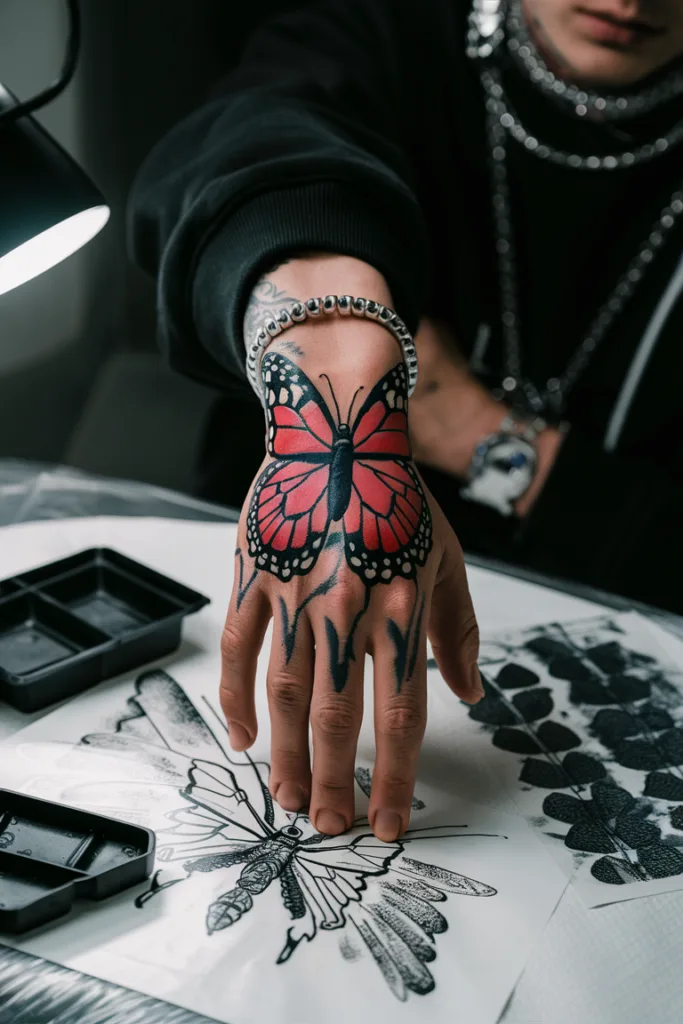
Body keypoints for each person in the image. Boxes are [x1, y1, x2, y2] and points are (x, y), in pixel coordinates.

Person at [128, 0, 683, 841]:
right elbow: (257, 137)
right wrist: (332, 339)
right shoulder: (387, 28)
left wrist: (475, 432)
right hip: (276, 626)